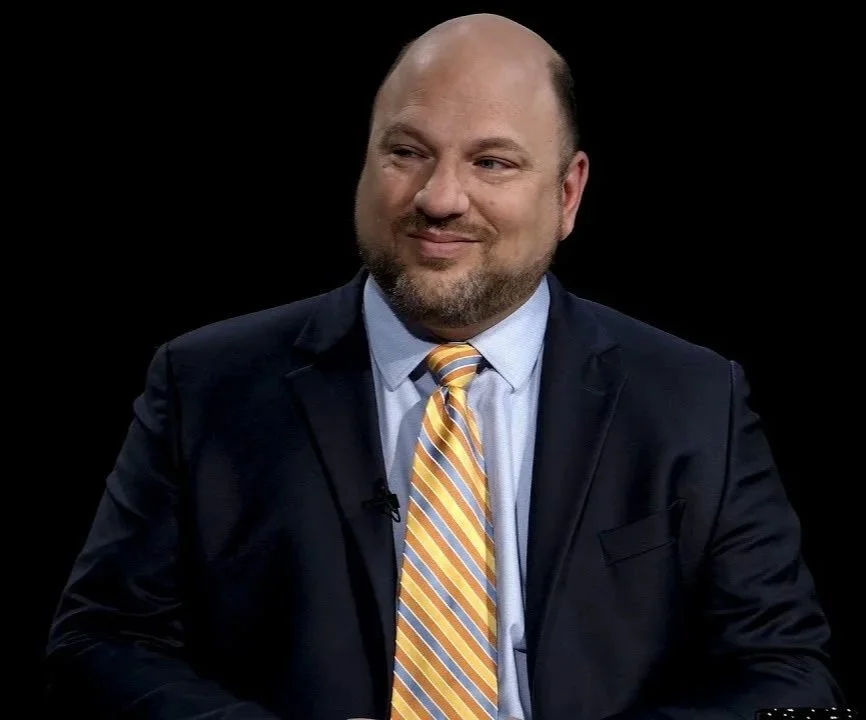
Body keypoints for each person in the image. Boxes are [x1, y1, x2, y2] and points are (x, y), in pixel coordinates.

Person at [45, 12, 844, 720]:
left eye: (492, 162)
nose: (439, 198)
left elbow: (790, 678)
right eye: (407, 152)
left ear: (567, 194)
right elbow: (98, 645)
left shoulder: (692, 400)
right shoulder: (207, 386)